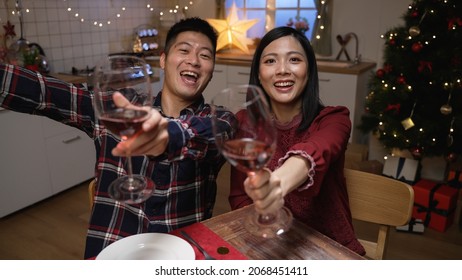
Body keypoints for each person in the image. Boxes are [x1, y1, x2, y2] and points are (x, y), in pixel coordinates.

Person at [0, 17, 233, 259]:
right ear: (163, 60)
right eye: (184, 50)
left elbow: (213, 135)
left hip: (182, 257)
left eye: (205, 56)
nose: (194, 60)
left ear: (212, 71)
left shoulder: (221, 120)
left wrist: (168, 135)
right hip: (112, 255)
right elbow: (46, 91)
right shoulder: (115, 108)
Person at [228, 26, 366, 255]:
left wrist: (277, 184)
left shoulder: (334, 119)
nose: (282, 70)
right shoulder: (245, 123)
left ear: (309, 71)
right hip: (270, 246)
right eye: (270, 61)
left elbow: (316, 150)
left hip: (328, 247)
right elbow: (239, 198)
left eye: (294, 59)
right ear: (259, 75)